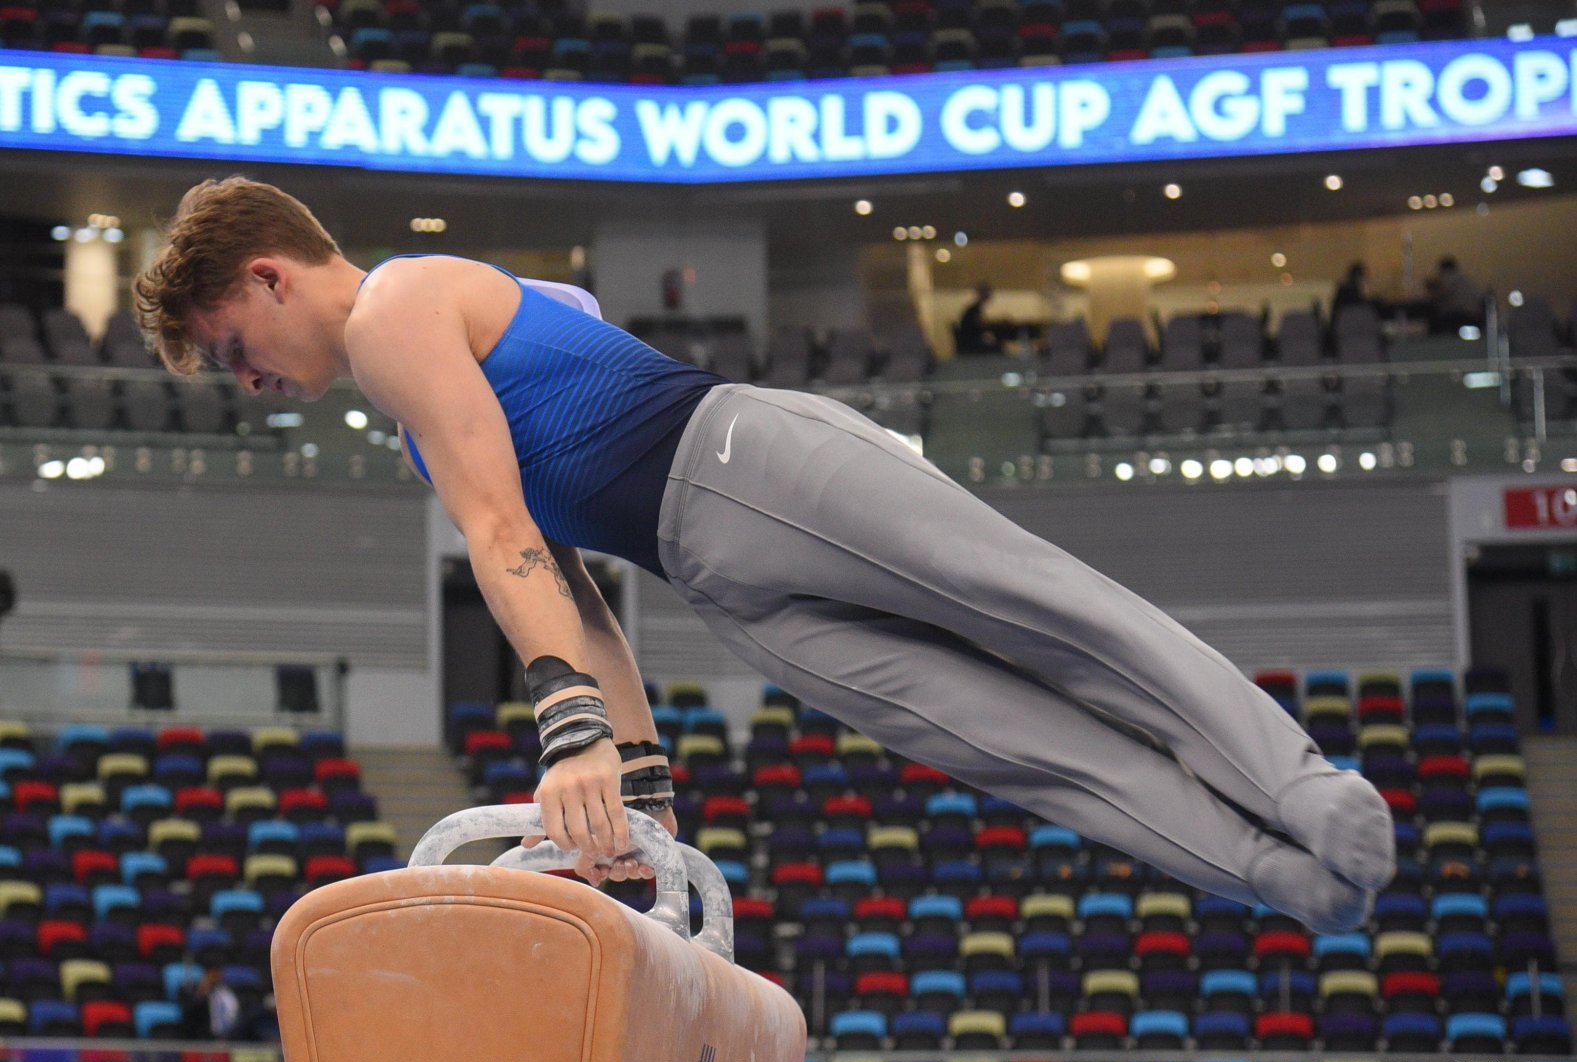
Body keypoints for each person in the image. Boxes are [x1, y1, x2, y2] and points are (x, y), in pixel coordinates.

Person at [134, 178, 1394, 932]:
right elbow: (578, 601)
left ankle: (1301, 793)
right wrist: (640, 793)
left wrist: (562, 730)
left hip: (745, 457)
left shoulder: (402, 306)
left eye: (231, 344)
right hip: (719, 577)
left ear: (268, 276)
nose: (248, 380)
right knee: (1003, 743)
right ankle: (1282, 878)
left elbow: (504, 538)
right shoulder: (419, 434)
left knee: (1047, 616)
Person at [1426, 255, 1484, 334]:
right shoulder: (1466, 280)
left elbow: (1441, 294)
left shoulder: (1448, 277)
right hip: (1474, 317)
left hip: (1460, 317)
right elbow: (1481, 298)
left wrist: (1431, 290)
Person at [953, 283, 998, 354]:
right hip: (971, 343)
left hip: (970, 341)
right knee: (997, 347)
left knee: (995, 344)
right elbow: (979, 325)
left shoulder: (974, 309)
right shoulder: (974, 310)